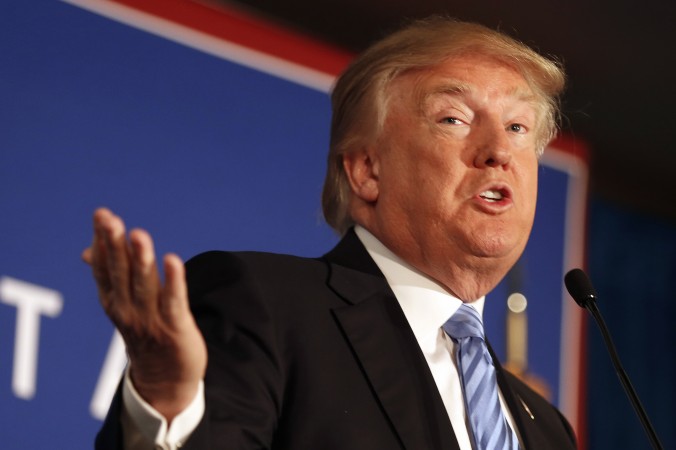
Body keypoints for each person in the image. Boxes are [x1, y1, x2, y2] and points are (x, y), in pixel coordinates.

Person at [84, 16, 577, 450]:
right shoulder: (265, 306)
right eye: (454, 118)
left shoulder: (547, 430)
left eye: (518, 128)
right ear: (367, 171)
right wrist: (168, 405)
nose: (498, 151)